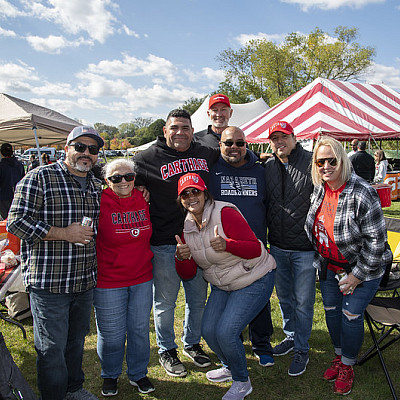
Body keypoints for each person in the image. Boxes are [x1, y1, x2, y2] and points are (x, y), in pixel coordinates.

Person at [7, 125, 104, 400]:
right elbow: (16, 223)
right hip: (50, 281)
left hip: (84, 281)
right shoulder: (39, 177)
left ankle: (73, 389)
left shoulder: (97, 187)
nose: (86, 153)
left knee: (74, 343)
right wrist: (63, 233)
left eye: (93, 149)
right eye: (80, 147)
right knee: (51, 348)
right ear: (67, 149)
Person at [133, 109, 220, 377]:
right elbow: (121, 180)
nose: (179, 133)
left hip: (199, 238)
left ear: (192, 130)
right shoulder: (145, 158)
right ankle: (166, 348)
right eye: (174, 128)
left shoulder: (207, 152)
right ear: (165, 130)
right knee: (165, 301)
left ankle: (192, 343)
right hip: (164, 241)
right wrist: (137, 187)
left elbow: (233, 157)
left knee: (197, 299)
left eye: (185, 128)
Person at [175, 173, 276, 400]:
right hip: (224, 283)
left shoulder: (224, 212)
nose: (191, 197)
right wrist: (182, 257)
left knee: (226, 332)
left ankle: (242, 381)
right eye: (185, 194)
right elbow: (190, 273)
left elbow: (255, 249)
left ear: (205, 193)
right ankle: (229, 365)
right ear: (180, 200)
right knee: (208, 330)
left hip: (254, 277)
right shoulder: (188, 226)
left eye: (195, 191)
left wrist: (227, 244)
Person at [304, 136, 392, 395]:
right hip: (329, 266)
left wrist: (355, 277)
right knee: (331, 311)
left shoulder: (362, 191)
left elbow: (376, 243)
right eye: (321, 161)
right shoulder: (320, 188)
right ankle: (339, 356)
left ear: (343, 159)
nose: (326, 166)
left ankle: (348, 365)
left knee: (351, 315)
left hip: (363, 268)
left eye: (332, 160)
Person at [209, 126, 275, 368]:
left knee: (259, 297)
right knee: (229, 294)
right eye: (228, 143)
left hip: (255, 246)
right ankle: (233, 340)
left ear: (246, 144)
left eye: (239, 143)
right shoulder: (212, 170)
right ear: (220, 145)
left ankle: (262, 343)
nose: (234, 147)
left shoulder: (261, 170)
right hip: (224, 247)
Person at [94, 158, 154, 396]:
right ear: (106, 181)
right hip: (109, 280)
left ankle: (138, 373)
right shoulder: (98, 201)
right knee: (112, 334)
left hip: (141, 277)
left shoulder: (143, 197)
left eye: (129, 176)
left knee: (139, 330)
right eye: (116, 178)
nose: (123, 182)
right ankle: (110, 374)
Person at [264, 121, 316, 377]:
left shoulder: (311, 162)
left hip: (305, 248)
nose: (279, 141)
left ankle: (302, 349)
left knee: (304, 302)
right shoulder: (268, 166)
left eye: (283, 136)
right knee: (284, 298)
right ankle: (291, 336)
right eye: (274, 138)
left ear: (294, 138)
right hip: (278, 247)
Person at [0, 143, 25, 220]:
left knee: (7, 221)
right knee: (15, 220)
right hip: (18, 196)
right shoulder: (19, 165)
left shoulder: (1, 166)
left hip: (4, 197)